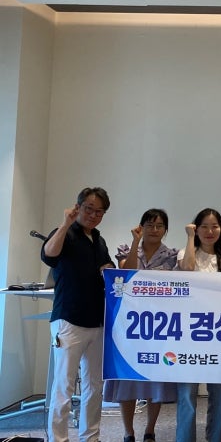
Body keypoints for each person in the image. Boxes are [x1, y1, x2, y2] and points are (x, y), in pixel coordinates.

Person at [41, 186, 116, 442]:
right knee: (64, 386)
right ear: (78, 207)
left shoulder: (98, 239)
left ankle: (90, 437)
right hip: (69, 321)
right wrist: (65, 223)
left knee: (94, 386)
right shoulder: (65, 232)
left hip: (97, 321)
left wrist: (108, 267)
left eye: (99, 212)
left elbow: (105, 266)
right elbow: (49, 255)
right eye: (89, 209)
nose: (93, 215)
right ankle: (58, 439)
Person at [103, 208, 178, 442]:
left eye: (159, 226)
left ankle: (150, 430)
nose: (154, 230)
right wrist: (136, 242)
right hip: (129, 325)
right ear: (141, 227)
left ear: (165, 230)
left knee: (154, 379)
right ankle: (128, 432)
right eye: (149, 225)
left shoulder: (172, 256)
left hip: (158, 326)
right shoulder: (127, 249)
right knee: (127, 380)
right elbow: (126, 273)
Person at [176, 208, 221, 442]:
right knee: (187, 395)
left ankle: (215, 438)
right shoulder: (186, 253)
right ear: (195, 228)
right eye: (204, 226)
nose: (209, 231)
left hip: (220, 336)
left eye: (215, 226)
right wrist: (190, 237)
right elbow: (187, 270)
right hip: (189, 336)